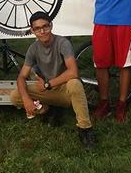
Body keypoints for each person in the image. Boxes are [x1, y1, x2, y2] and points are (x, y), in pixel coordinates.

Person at [9, 12, 96, 149]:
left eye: (45, 26)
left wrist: (48, 84)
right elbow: (21, 77)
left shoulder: (63, 43)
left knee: (75, 83)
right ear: (32, 30)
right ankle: (46, 110)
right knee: (15, 96)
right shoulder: (33, 48)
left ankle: (85, 129)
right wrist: (26, 99)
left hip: (64, 89)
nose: (42, 31)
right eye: (37, 28)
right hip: (47, 89)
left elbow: (73, 71)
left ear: (51, 26)